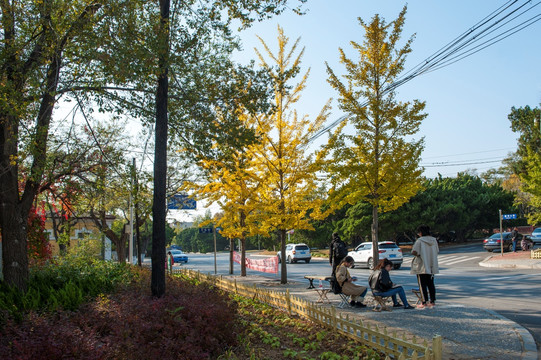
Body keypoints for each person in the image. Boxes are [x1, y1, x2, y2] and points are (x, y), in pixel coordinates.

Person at [410, 224, 439, 309]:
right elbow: (437, 251)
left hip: (422, 265)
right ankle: (432, 301)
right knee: (431, 284)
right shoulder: (434, 240)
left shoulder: (420, 241)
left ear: (421, 232)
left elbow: (415, 251)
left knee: (422, 284)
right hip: (431, 264)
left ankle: (424, 302)